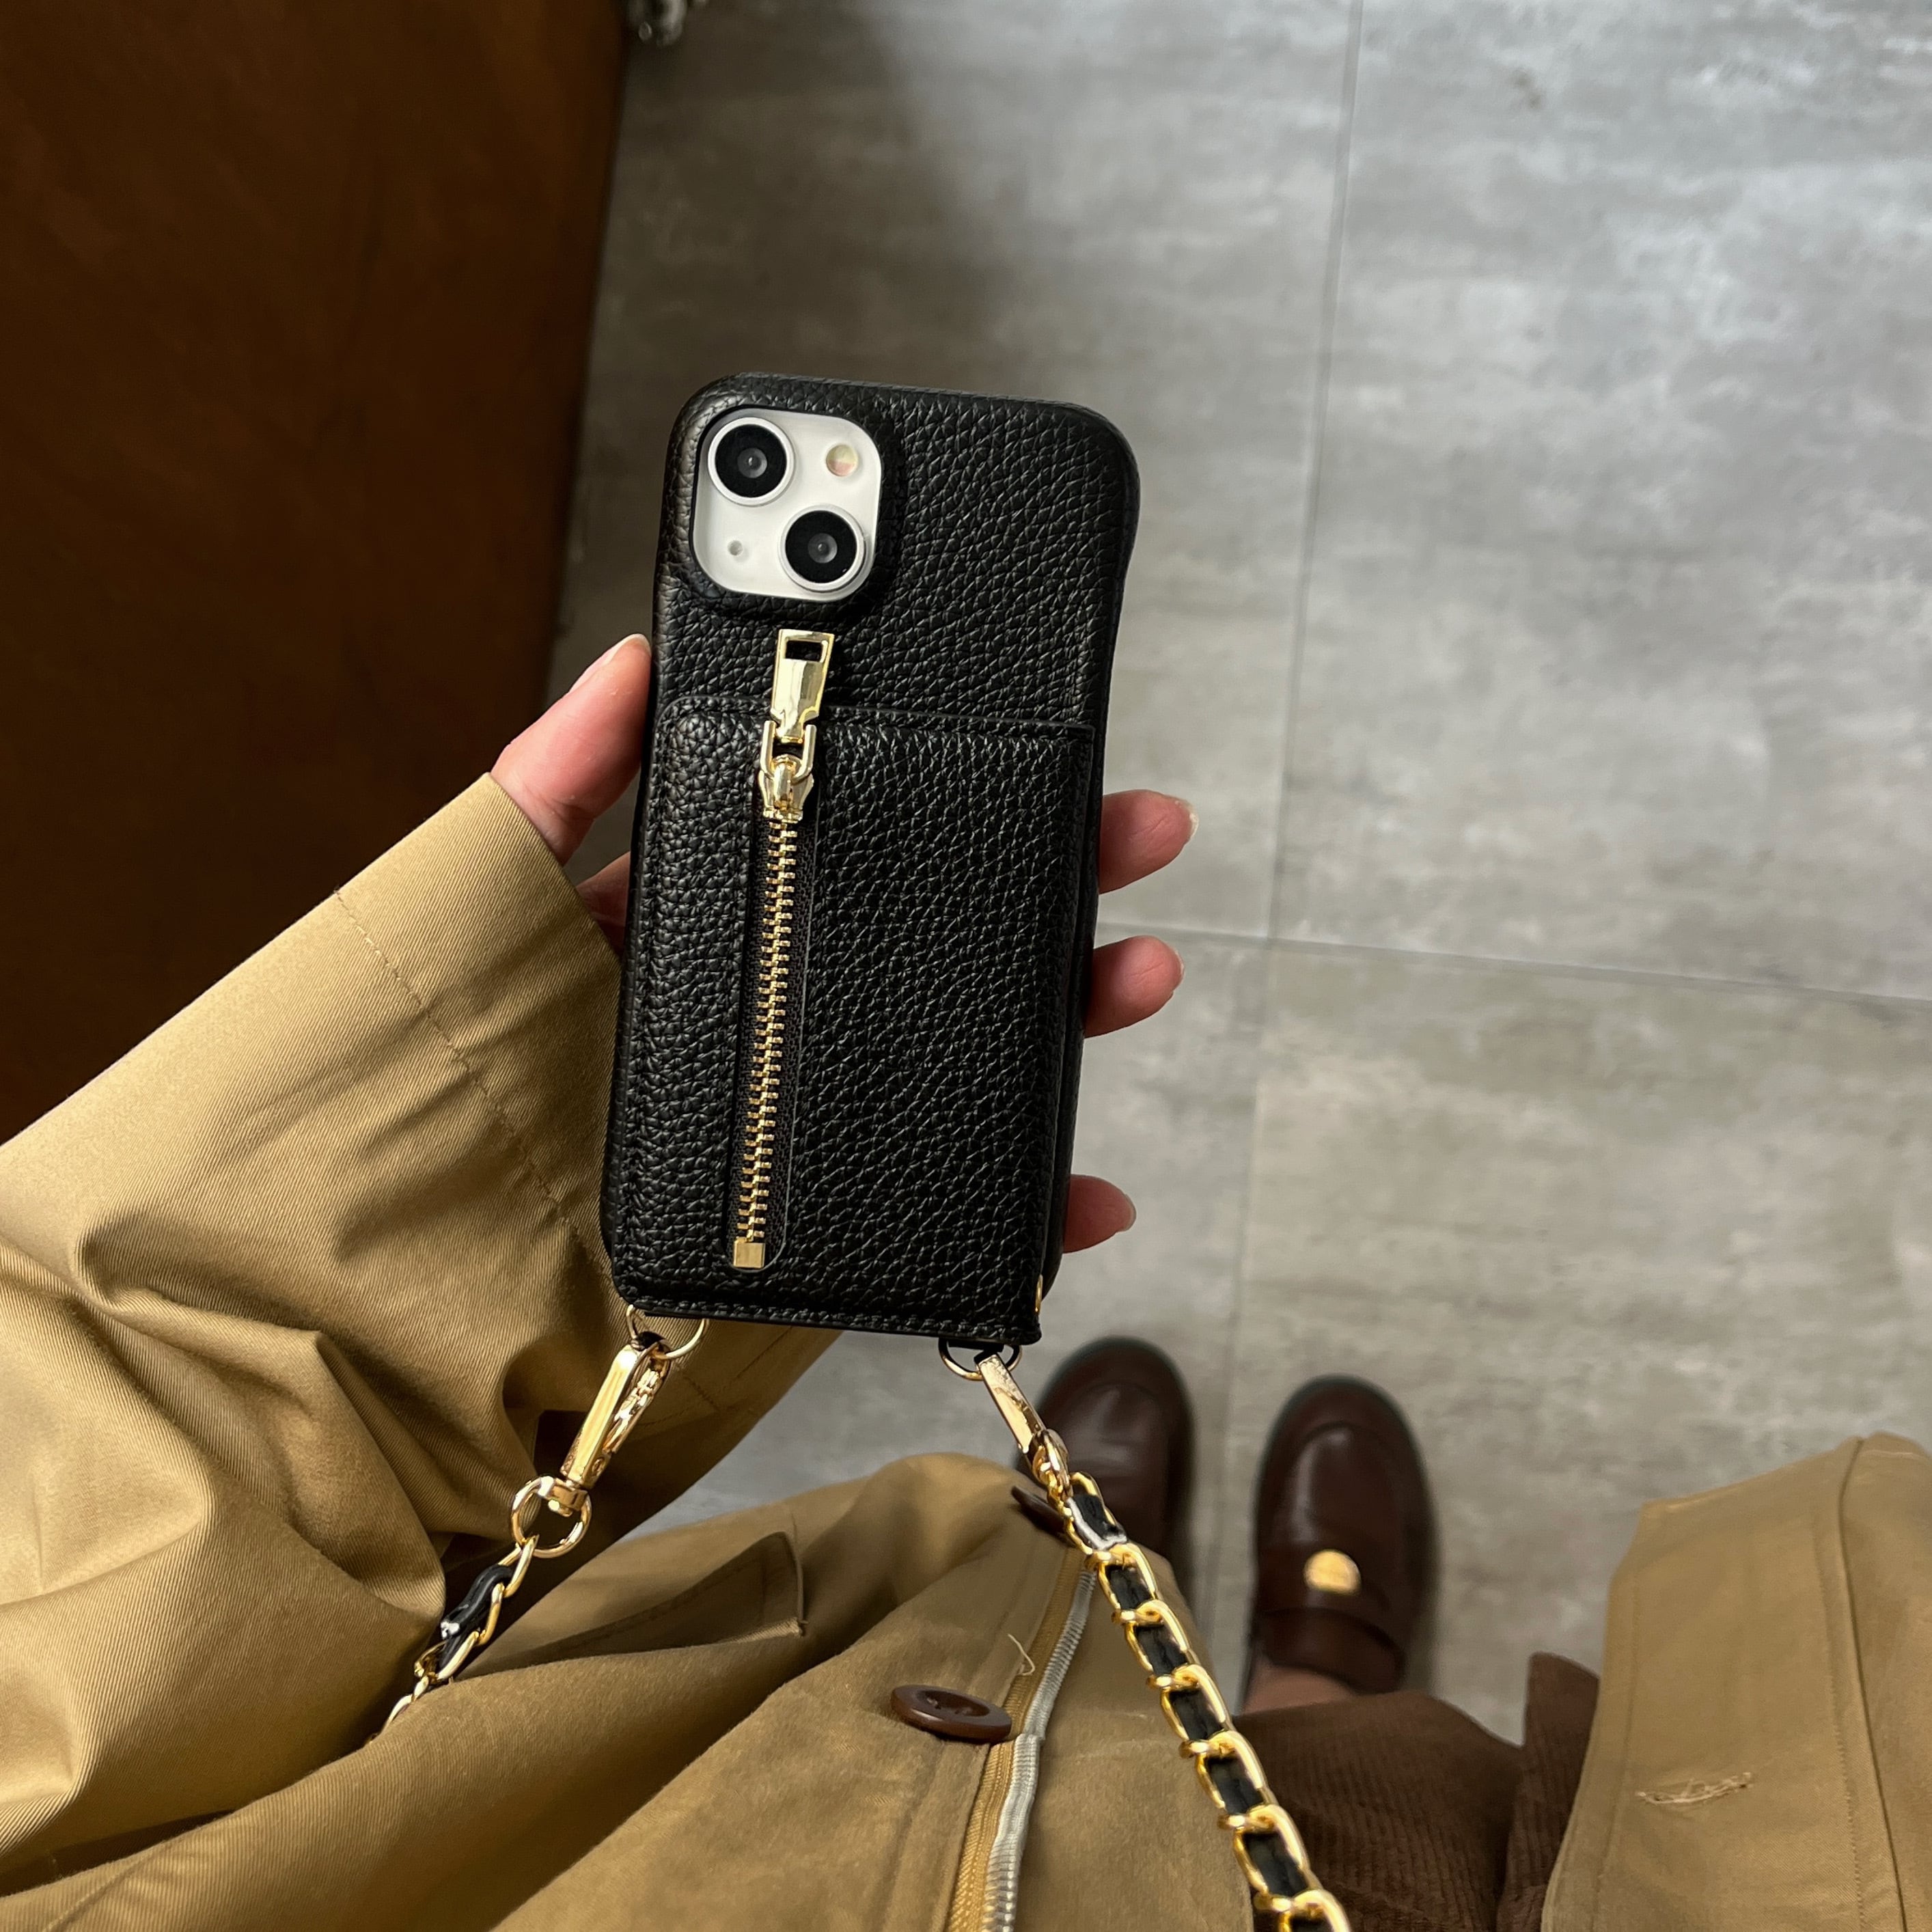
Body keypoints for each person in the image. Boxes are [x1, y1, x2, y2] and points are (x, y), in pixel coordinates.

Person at [1, 639, 1924, 1931]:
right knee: (1368, 1788)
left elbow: (71, 1693)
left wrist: (444, 1229)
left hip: (752, 1814)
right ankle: (1295, 1667)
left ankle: (1090, 1585)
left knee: (1044, 1637)